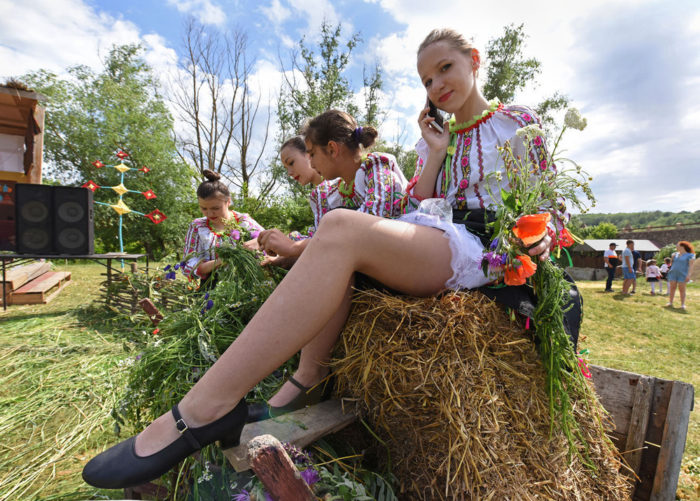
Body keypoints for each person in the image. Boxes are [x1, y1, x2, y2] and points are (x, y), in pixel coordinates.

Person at [81, 28, 558, 489]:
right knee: (336, 239)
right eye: (427, 80)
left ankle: (204, 408)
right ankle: (287, 383)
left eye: (445, 68)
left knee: (339, 227)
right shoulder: (435, 137)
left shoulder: (515, 120)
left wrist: (543, 233)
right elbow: (423, 202)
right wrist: (435, 152)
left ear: (474, 61)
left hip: (488, 245)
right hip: (436, 230)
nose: (437, 85)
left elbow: (553, 201)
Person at [182, 170, 264, 289]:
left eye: (216, 208)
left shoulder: (244, 222)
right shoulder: (198, 227)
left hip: (247, 285)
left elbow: (267, 241)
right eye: (204, 208)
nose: (210, 213)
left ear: (228, 202)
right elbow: (188, 264)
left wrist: (256, 244)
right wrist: (222, 261)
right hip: (211, 289)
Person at [666, 241, 696, 309]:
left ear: (682, 246)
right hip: (673, 273)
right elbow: (671, 264)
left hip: (683, 274)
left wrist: (689, 275)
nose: (676, 246)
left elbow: (691, 266)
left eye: (677, 245)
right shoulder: (674, 254)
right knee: (672, 288)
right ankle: (670, 302)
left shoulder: (691, 255)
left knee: (682, 289)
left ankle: (682, 304)